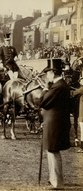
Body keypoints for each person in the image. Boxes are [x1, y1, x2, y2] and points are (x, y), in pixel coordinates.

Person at [39, 58, 71, 189]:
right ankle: (54, 179)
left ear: (53, 72)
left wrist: (46, 88)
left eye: (48, 72)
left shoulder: (58, 86)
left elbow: (43, 101)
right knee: (51, 151)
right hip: (53, 123)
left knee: (53, 151)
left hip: (55, 124)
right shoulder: (60, 85)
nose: (47, 75)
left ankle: (58, 183)